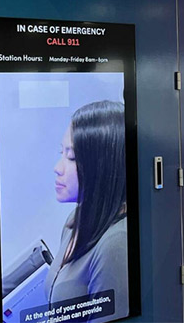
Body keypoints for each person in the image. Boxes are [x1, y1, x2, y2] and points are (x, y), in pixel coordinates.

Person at [44, 100, 129, 322]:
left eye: (71, 157)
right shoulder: (74, 221)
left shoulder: (115, 243)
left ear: (100, 165)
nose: (57, 168)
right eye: (61, 153)